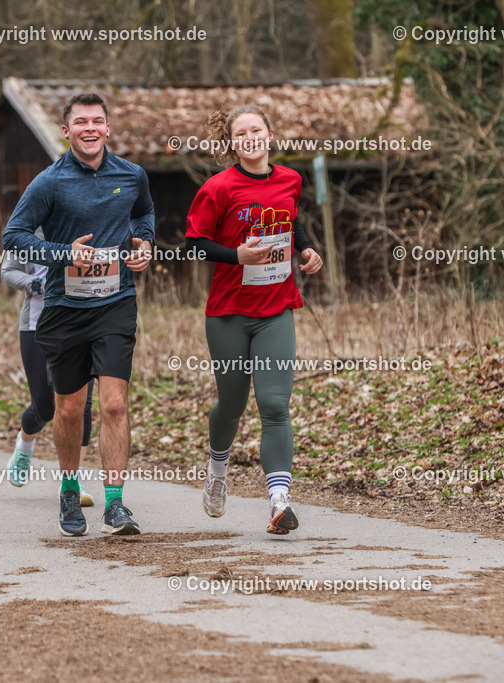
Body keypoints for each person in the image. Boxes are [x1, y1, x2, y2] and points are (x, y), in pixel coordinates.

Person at [2, 92, 155, 537]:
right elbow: (14, 236)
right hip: (65, 308)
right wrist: (61, 253)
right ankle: (69, 492)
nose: (90, 129)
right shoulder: (49, 182)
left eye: (98, 121)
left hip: (115, 302)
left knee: (114, 403)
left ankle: (115, 503)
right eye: (81, 122)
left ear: (108, 128)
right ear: (66, 131)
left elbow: (143, 214)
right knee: (68, 410)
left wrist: (143, 244)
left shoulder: (132, 175)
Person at [185, 105, 323, 534]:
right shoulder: (218, 187)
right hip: (228, 313)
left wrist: (305, 249)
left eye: (256, 130)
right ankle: (218, 470)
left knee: (275, 406)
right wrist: (236, 256)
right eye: (241, 133)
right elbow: (194, 243)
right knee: (232, 405)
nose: (250, 138)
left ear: (269, 134)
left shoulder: (290, 179)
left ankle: (279, 503)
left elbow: (290, 220)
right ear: (233, 143)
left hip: (276, 309)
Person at [1, 245, 96, 506]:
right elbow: (7, 271)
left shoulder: (85, 219)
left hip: (81, 323)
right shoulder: (31, 225)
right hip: (36, 324)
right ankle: (24, 446)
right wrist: (36, 282)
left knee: (81, 404)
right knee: (44, 406)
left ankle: (73, 479)